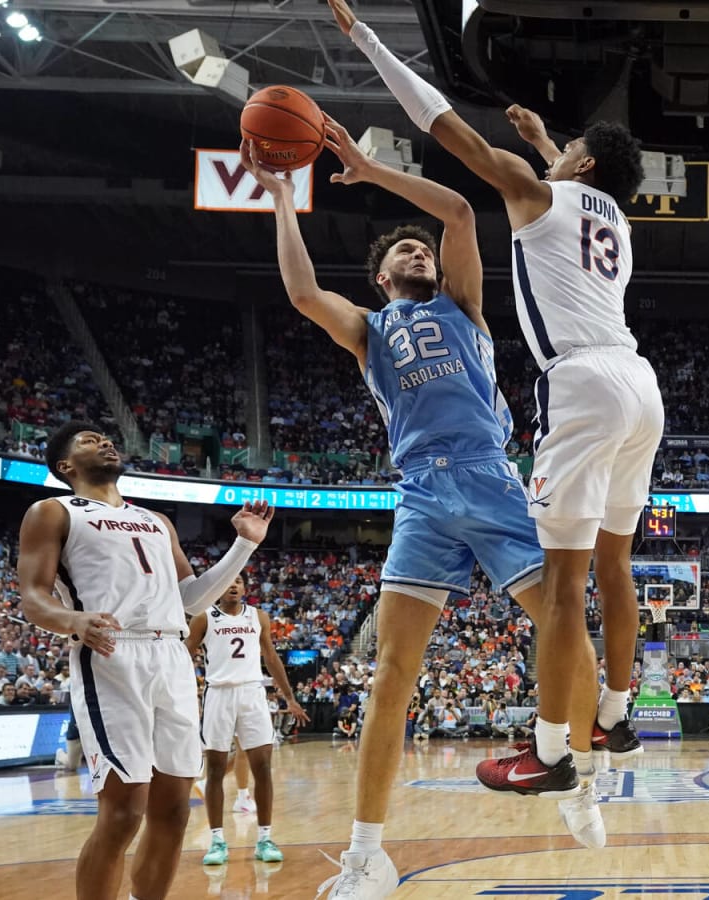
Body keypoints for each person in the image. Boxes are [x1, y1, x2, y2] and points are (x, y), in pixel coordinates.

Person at [240, 114, 599, 899]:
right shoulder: (370, 330)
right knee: (390, 675)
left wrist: (369, 171)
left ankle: (579, 769)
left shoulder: (464, 308)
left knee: (564, 622)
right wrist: (278, 193)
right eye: (406, 250)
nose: (421, 251)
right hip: (421, 496)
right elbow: (301, 292)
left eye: (423, 249)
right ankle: (368, 855)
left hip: (490, 475)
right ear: (383, 276)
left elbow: (462, 214)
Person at [325, 0, 660, 794]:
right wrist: (552, 144)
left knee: (567, 582)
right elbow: (576, 186)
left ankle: (547, 754)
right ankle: (616, 713)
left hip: (582, 382)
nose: (556, 153)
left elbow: (447, 127)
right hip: (641, 383)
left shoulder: (532, 194)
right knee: (618, 564)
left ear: (575, 168)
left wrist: (367, 41)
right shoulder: (618, 217)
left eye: (567, 149)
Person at [16, 421, 271, 900]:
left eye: (105, 437)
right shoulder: (52, 511)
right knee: (123, 812)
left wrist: (245, 544)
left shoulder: (157, 521)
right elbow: (33, 598)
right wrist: (74, 621)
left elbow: (191, 598)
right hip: (113, 654)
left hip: (172, 656)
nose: (105, 442)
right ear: (65, 465)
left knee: (174, 812)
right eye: (89, 440)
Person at [188, 576, 309, 865]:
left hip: (253, 694)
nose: (232, 585)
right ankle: (217, 841)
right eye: (227, 581)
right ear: (217, 587)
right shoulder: (204, 617)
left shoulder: (259, 617)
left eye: (238, 581)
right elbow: (184, 654)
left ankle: (265, 838)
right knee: (215, 771)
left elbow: (271, 657)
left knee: (263, 768)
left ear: (245, 588)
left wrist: (289, 697)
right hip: (218, 694)